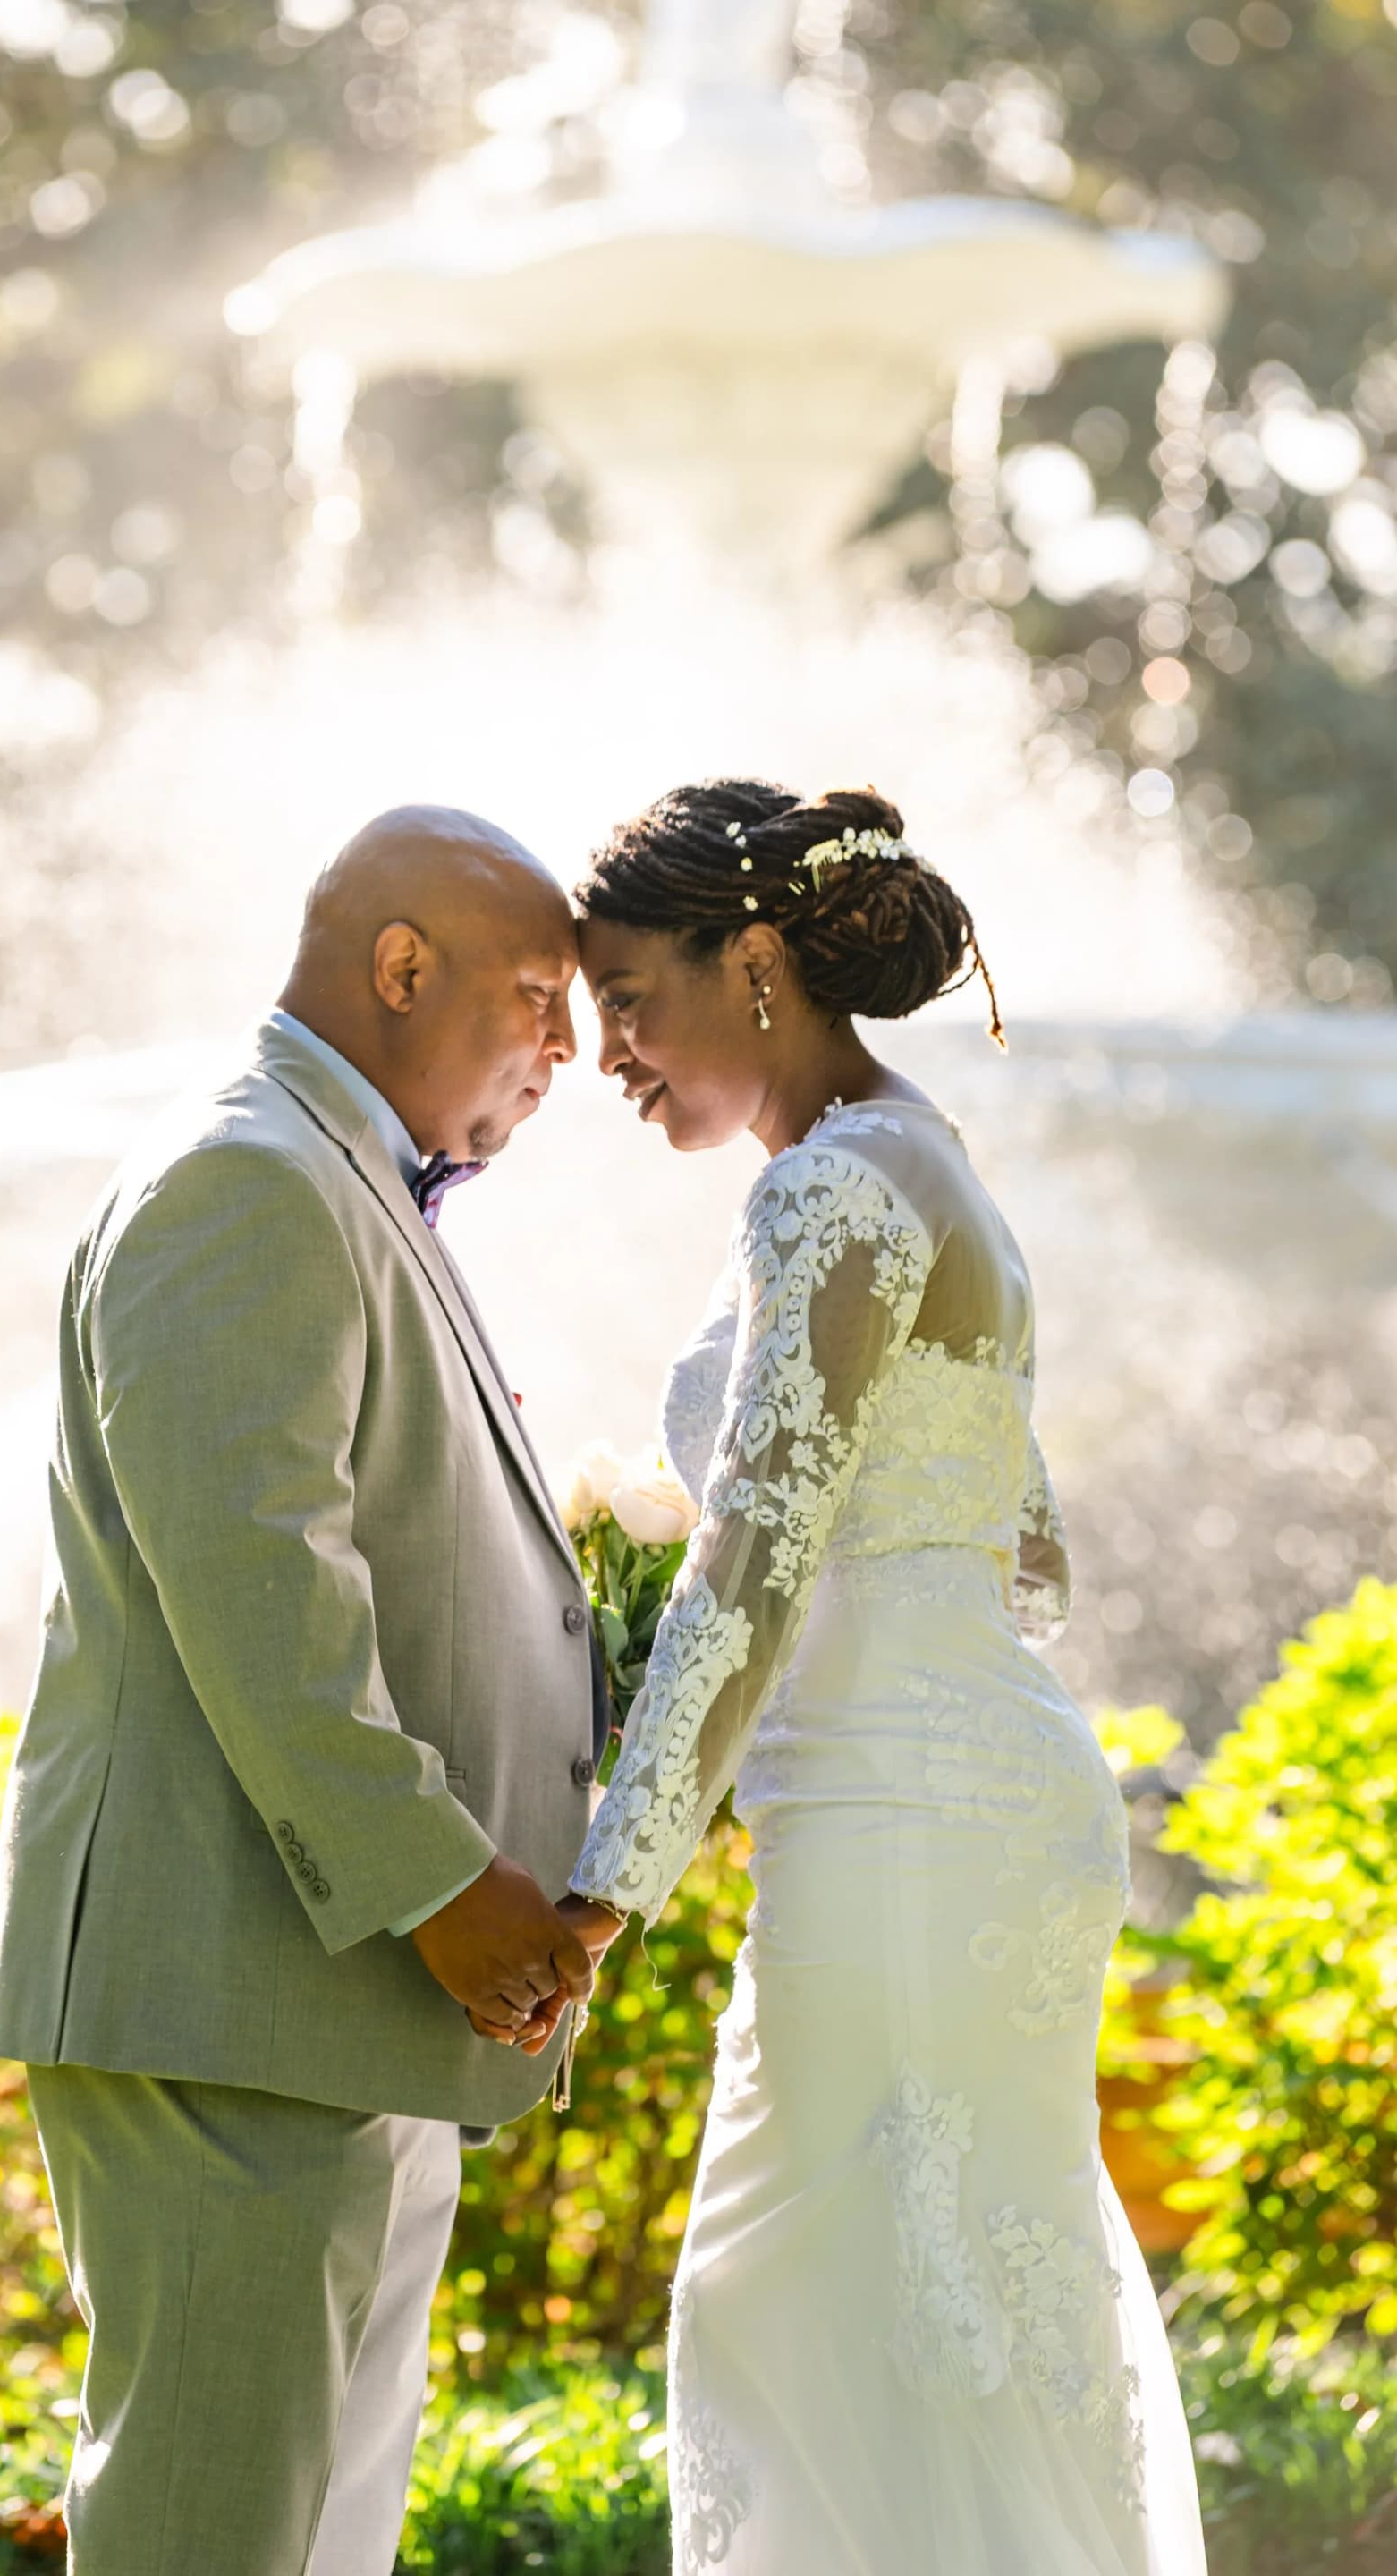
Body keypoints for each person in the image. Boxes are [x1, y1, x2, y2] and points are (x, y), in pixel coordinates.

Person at [560, 782, 1206, 2575]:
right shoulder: (924, 1159)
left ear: (751, 961)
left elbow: (753, 1570)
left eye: (630, 994)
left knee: (815, 2326)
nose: (605, 1048)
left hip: (907, 1835)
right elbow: (1028, 1550)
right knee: (932, 2346)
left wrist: (601, 1889)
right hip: (958, 1798)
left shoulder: (831, 1188)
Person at [0, 804, 604, 2575]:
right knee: (209, 2538)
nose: (571, 1046)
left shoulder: (329, 1177)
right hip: (234, 1996)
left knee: (311, 2539)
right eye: (539, 997)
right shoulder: (249, 1176)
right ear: (402, 967)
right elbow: (260, 1588)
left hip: (323, 2006)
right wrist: (441, 1885)